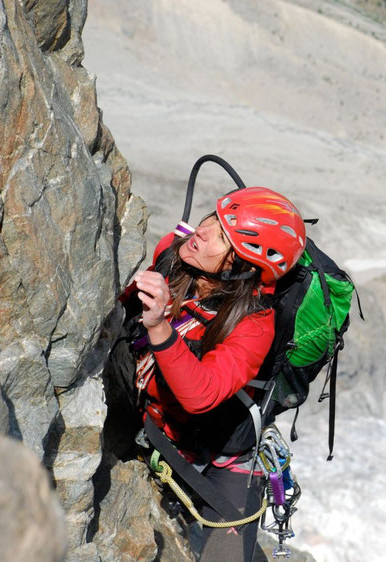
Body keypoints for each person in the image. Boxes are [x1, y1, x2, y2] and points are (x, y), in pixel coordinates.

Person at [121, 186, 306, 561]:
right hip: (156, 425)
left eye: (224, 237)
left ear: (243, 267)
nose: (202, 232)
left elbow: (201, 393)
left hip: (223, 457)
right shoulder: (174, 256)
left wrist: (159, 325)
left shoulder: (255, 323)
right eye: (214, 219)